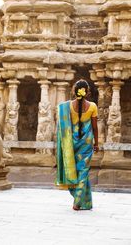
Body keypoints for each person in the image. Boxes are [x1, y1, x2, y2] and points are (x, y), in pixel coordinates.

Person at [56, 79, 99, 211]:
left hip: (71, 143)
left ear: (75, 91)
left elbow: (63, 126)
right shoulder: (92, 106)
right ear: (87, 92)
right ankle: (78, 201)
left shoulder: (66, 106)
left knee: (71, 169)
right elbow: (95, 127)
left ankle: (81, 200)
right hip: (86, 143)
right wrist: (97, 143)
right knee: (83, 172)